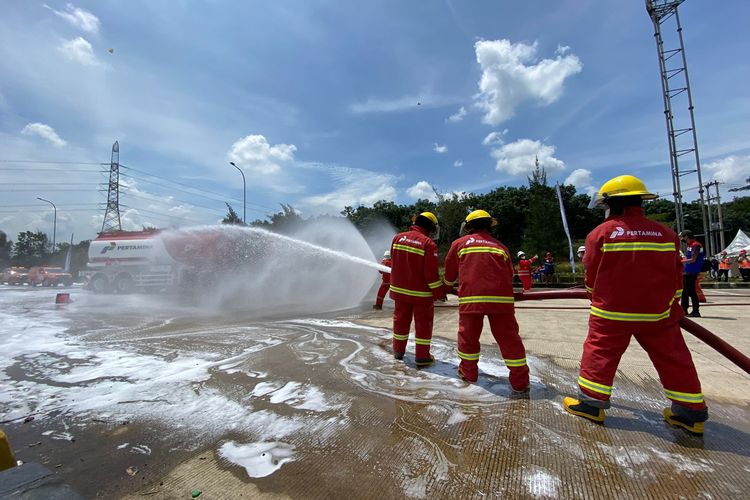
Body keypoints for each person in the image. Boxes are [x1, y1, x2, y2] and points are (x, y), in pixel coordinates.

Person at [563, 174, 708, 435]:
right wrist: (672, 304)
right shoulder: (666, 233)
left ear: (612, 204)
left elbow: (591, 273)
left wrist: (594, 296)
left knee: (600, 352)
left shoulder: (602, 233)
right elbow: (677, 276)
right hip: (658, 314)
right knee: (674, 358)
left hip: (612, 312)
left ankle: (591, 405)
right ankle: (690, 413)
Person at [442, 210, 529, 390]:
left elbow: (449, 273)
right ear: (490, 225)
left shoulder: (460, 244)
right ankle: (520, 382)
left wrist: (444, 288)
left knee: (468, 337)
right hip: (502, 302)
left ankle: (469, 373)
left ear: (468, 226)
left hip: (472, 299)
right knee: (509, 339)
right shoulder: (501, 247)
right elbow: (509, 274)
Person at [389, 212, 445, 367]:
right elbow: (430, 274)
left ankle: (398, 352)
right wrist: (439, 293)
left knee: (400, 321)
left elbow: (395, 261)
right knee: (423, 324)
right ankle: (422, 357)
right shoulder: (428, 244)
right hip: (421, 294)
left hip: (399, 291)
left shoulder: (397, 238)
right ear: (432, 227)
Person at [679, 230, 704, 317]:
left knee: (691, 291)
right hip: (687, 271)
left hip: (692, 271)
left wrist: (680, 261)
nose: (682, 239)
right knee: (684, 292)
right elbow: (688, 257)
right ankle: (683, 310)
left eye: (682, 237)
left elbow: (693, 259)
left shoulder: (696, 245)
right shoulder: (690, 245)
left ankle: (696, 311)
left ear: (686, 236)